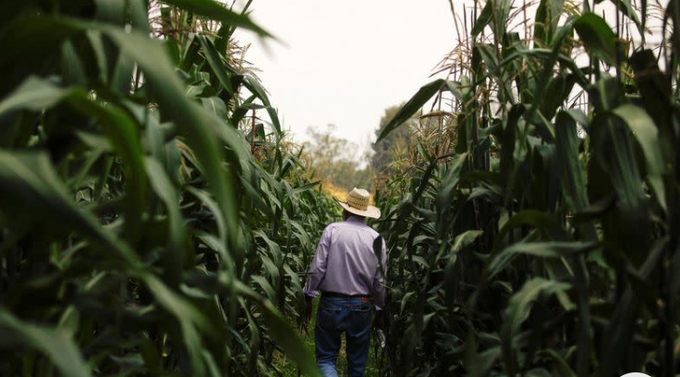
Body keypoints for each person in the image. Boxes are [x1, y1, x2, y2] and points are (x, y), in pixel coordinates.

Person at [302, 187, 387, 377]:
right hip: (362, 305)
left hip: (332, 303)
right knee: (357, 365)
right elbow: (380, 281)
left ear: (345, 210)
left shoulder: (332, 230)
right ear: (365, 213)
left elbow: (317, 268)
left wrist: (308, 295)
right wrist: (380, 309)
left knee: (325, 359)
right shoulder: (377, 239)